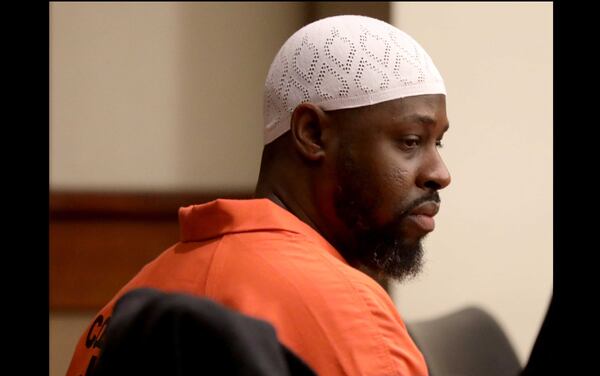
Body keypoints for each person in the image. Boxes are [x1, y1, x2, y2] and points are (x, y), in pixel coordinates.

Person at [67, 14, 450, 376]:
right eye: (411, 141)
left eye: (439, 143)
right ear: (312, 133)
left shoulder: (123, 312)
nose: (440, 174)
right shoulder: (352, 313)